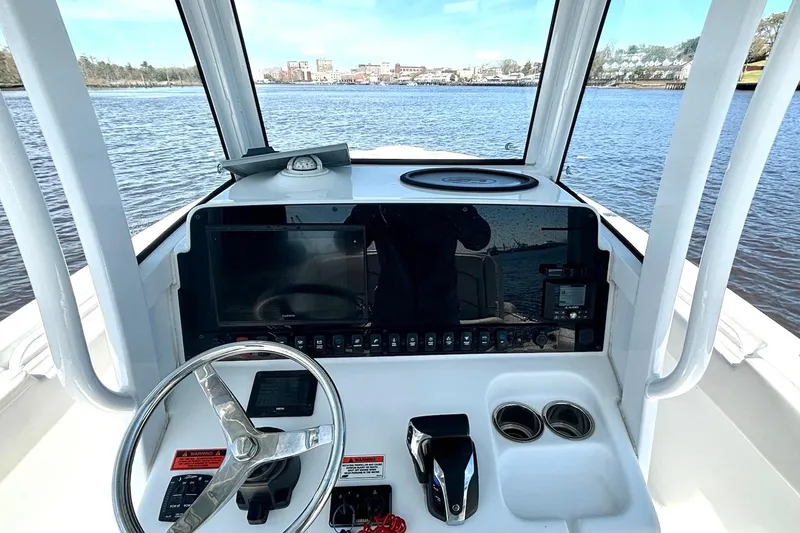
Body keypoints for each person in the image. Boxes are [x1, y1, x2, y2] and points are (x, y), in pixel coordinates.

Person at [339, 204, 491, 327]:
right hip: (400, 317)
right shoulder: (379, 204)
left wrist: (454, 206)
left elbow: (479, 240)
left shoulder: (446, 203)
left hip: (436, 317)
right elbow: (344, 243)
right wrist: (371, 206)